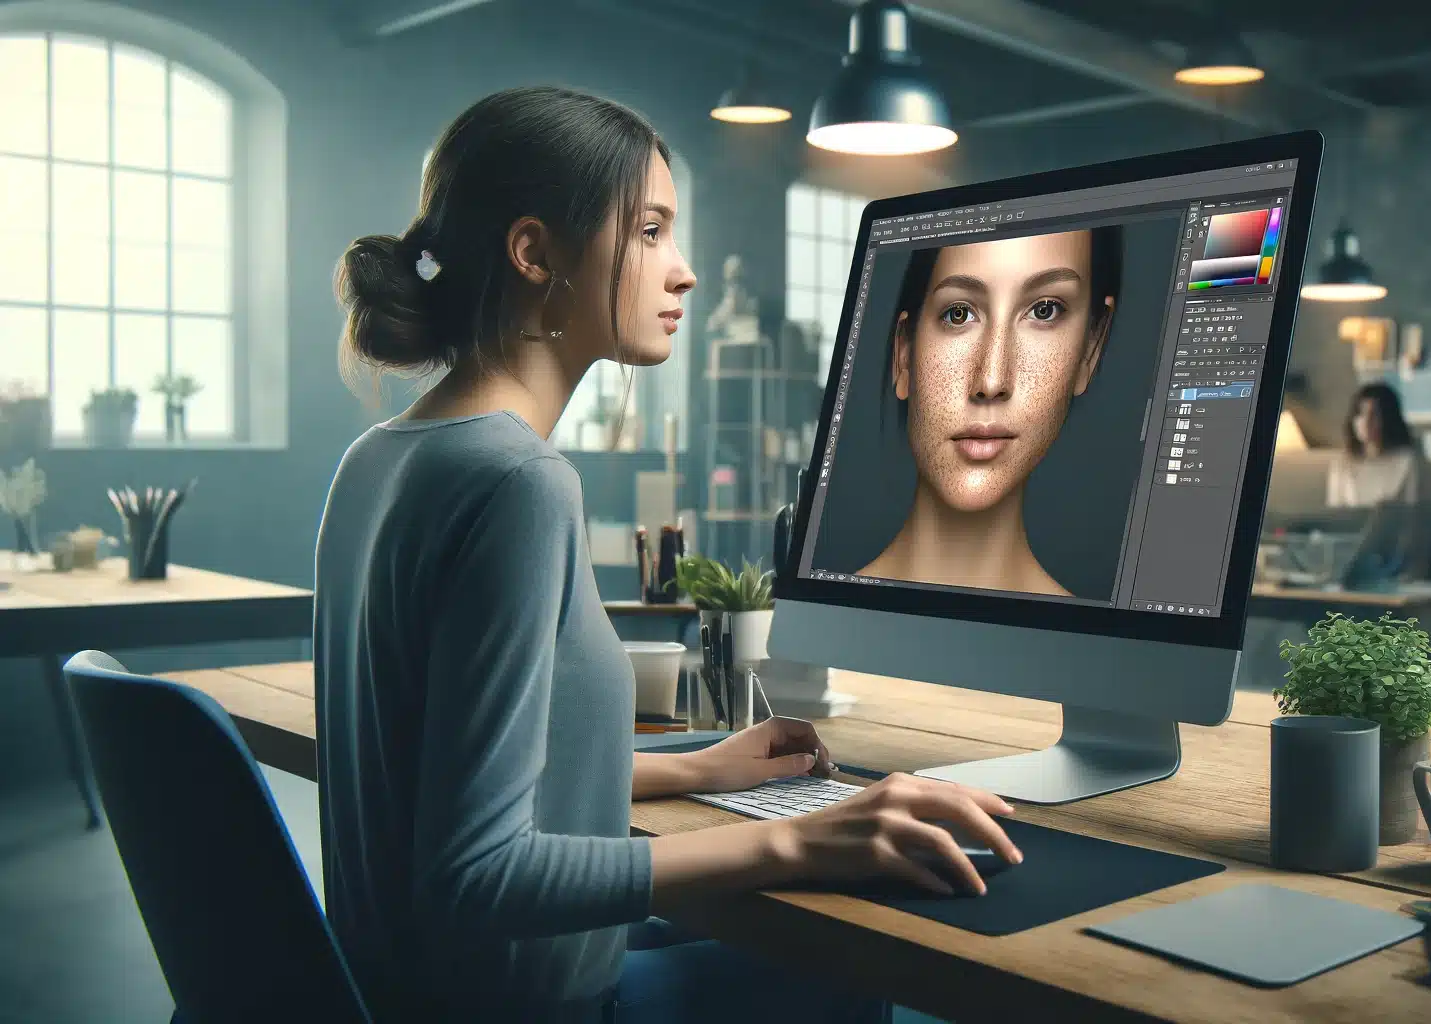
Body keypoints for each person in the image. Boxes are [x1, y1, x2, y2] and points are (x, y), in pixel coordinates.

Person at [319, 86, 1021, 1023]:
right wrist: (806, 842)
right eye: (649, 231)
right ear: (535, 253)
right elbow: (477, 874)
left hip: (400, 993)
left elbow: (446, 777)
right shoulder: (519, 483)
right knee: (855, 968)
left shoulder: (378, 459)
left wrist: (693, 771)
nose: (683, 271)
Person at [857, 227, 1123, 596]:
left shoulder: (1099, 651)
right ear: (904, 354)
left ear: (1090, 349)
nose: (992, 380)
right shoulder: (817, 625)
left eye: (1045, 310)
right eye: (959, 314)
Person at [1326, 381, 1426, 508]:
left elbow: (1417, 513)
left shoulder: (1408, 461)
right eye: (1360, 414)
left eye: (1374, 414)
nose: (1366, 421)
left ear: (1388, 418)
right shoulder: (1342, 463)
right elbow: (1335, 514)